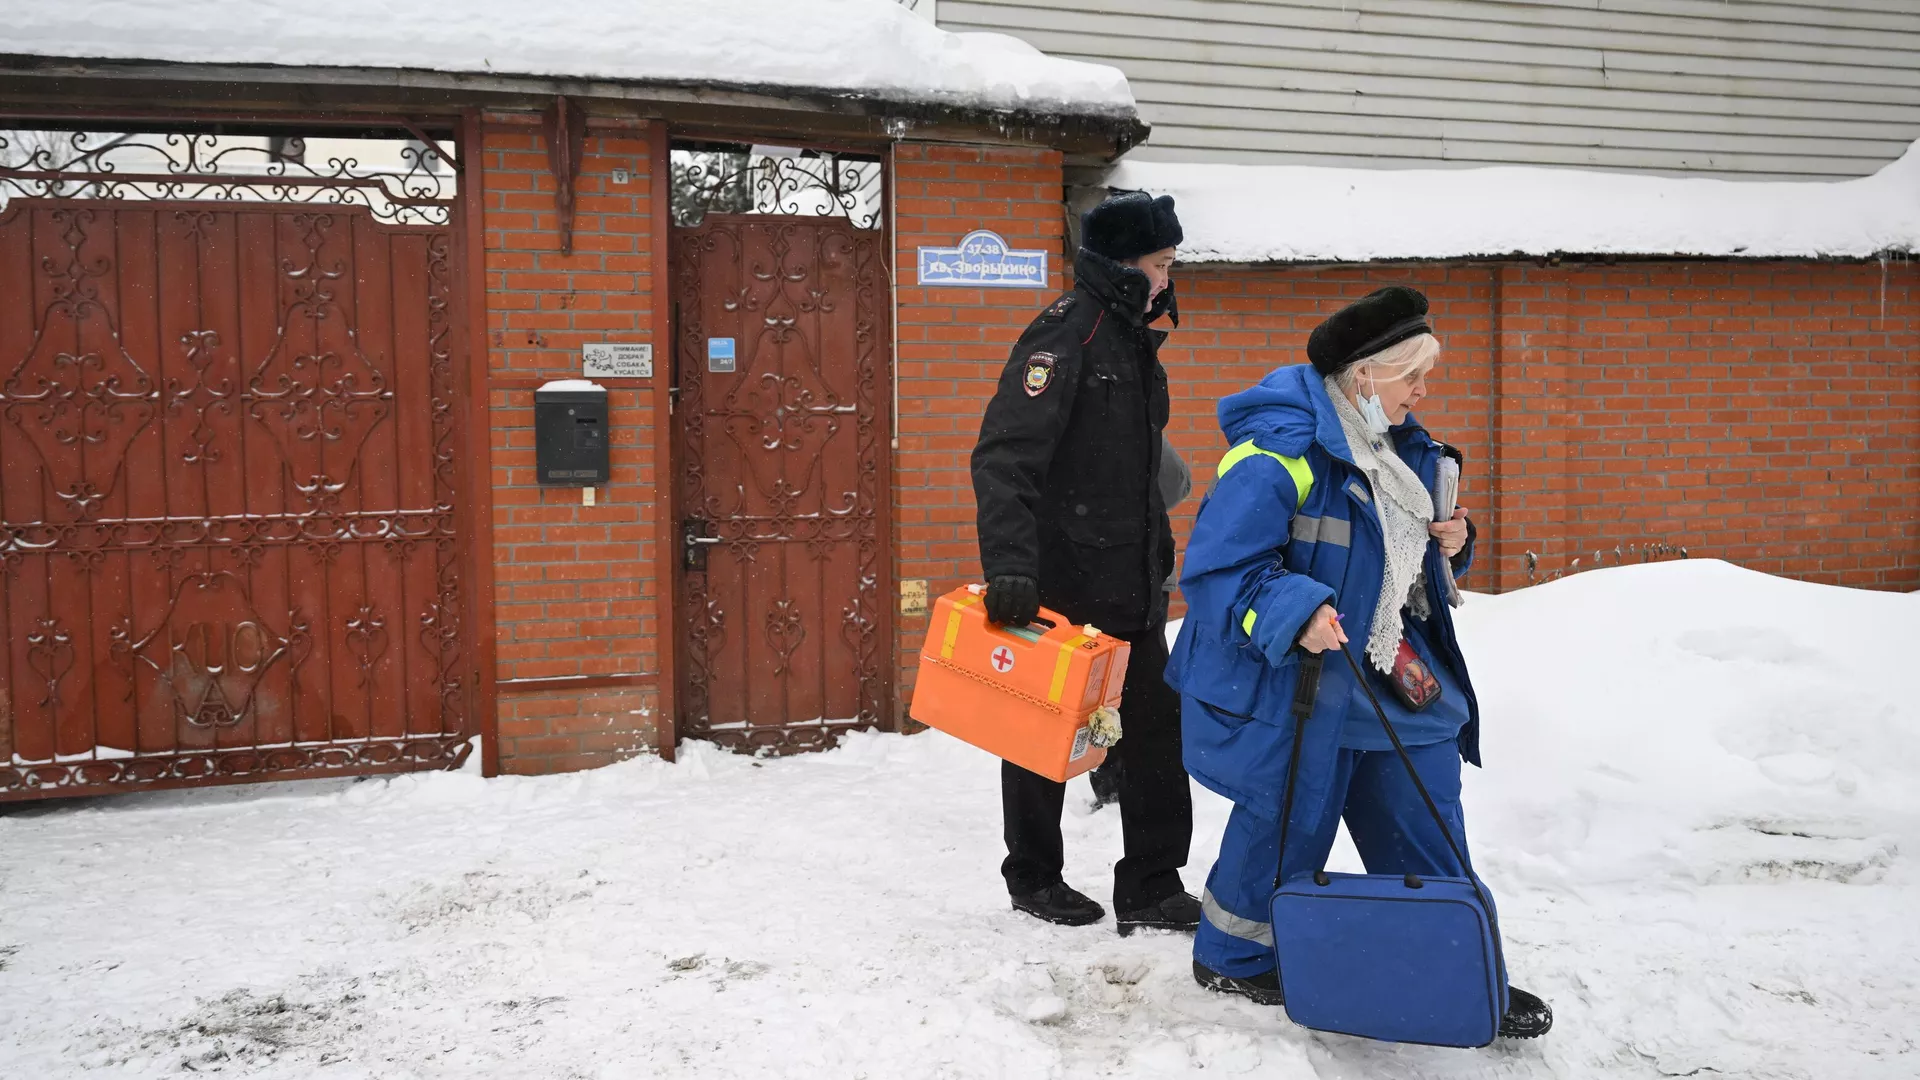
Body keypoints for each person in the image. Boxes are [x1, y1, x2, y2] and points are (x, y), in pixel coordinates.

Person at [1165, 286, 1553, 1038]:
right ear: (1363, 377)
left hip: (1393, 677)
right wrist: (1294, 609)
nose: (1423, 391)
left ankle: (1462, 967)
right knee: (1286, 822)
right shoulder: (1278, 453)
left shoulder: (1404, 453)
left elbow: (1395, 569)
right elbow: (1217, 570)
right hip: (1300, 682)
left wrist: (1451, 546)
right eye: (1412, 374)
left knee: (1428, 821)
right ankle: (1233, 958)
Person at [971, 191, 1198, 936]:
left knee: (1157, 735)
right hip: (1066, 582)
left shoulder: (1132, 337)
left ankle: (1153, 885)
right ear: (1128, 263)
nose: (1169, 278)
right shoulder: (1065, 337)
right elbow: (1004, 458)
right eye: (1162, 264)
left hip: (1133, 581)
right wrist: (1011, 566)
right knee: (1043, 732)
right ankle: (1033, 876)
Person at [1088, 432, 1191, 812]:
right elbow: (1178, 483)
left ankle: (1108, 773)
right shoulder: (1139, 430)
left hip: (1103, 582)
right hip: (1142, 581)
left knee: (1102, 686)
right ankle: (1122, 775)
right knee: (1139, 688)